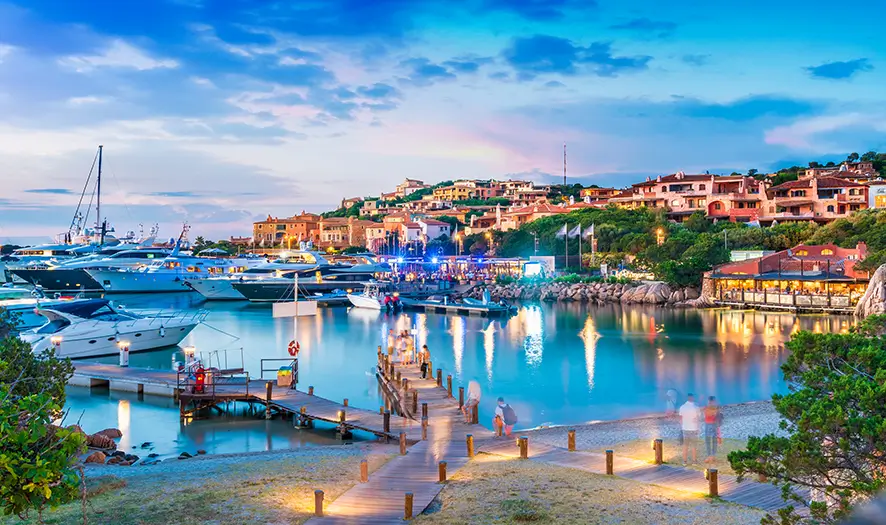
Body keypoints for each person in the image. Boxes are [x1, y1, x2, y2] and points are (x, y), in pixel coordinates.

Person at [679, 393, 700, 465]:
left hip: (685, 428)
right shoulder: (696, 407)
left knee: (685, 445)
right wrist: (698, 427)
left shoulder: (682, 407)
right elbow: (697, 419)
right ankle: (694, 461)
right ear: (693, 398)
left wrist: (683, 426)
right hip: (693, 428)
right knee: (694, 445)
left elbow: (681, 419)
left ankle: (684, 461)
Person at [703, 396, 722, 463]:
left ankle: (710, 456)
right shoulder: (715, 407)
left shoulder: (708, 407)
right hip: (712, 424)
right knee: (712, 441)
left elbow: (708, 414)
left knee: (709, 440)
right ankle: (712, 456)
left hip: (710, 424)